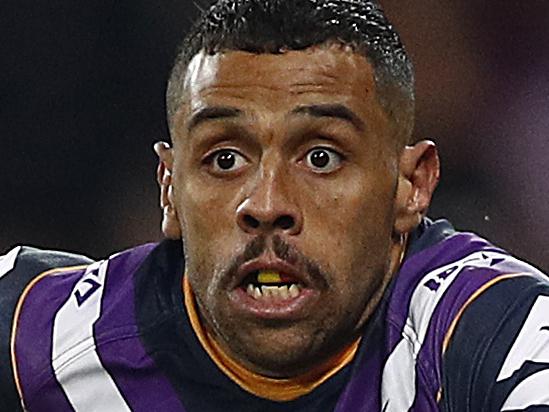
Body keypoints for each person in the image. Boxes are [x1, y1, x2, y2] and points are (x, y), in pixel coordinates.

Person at [1, 0, 548, 410]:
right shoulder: (49, 339)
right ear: (169, 189)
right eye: (223, 160)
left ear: (411, 186)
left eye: (320, 157)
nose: (265, 204)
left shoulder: (487, 334)